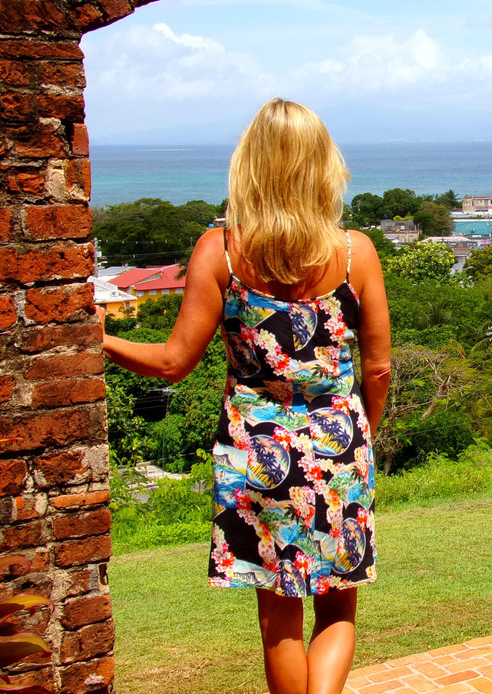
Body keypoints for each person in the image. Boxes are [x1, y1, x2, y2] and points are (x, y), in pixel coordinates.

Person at [100, 98, 392, 694]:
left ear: (250, 167)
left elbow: (173, 362)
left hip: (255, 455)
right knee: (338, 609)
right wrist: (364, 434)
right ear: (323, 167)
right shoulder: (355, 252)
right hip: (340, 450)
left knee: (277, 620)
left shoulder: (223, 252)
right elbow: (379, 368)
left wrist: (99, 338)